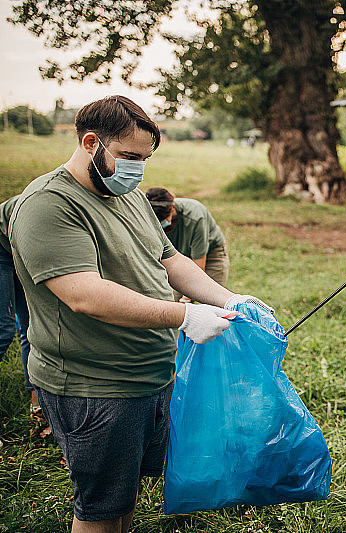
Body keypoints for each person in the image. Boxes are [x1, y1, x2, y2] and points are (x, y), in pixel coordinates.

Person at [8, 95, 272, 533]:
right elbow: (84, 295)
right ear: (91, 143)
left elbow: (170, 258)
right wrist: (182, 317)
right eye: (129, 157)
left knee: (123, 494)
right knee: (98, 510)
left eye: (144, 159)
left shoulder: (124, 192)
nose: (137, 169)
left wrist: (227, 299)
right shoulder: (48, 205)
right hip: (95, 386)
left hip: (150, 375)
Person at [145, 187, 229, 301]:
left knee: (215, 299)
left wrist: (186, 300)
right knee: (170, 300)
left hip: (211, 254)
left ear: (173, 206)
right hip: (176, 257)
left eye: (164, 219)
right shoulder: (148, 217)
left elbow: (198, 268)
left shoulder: (195, 217)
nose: (161, 223)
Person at [0, 195, 34, 412]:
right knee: (3, 328)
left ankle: (37, 406)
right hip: (2, 244)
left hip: (22, 249)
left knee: (33, 327)